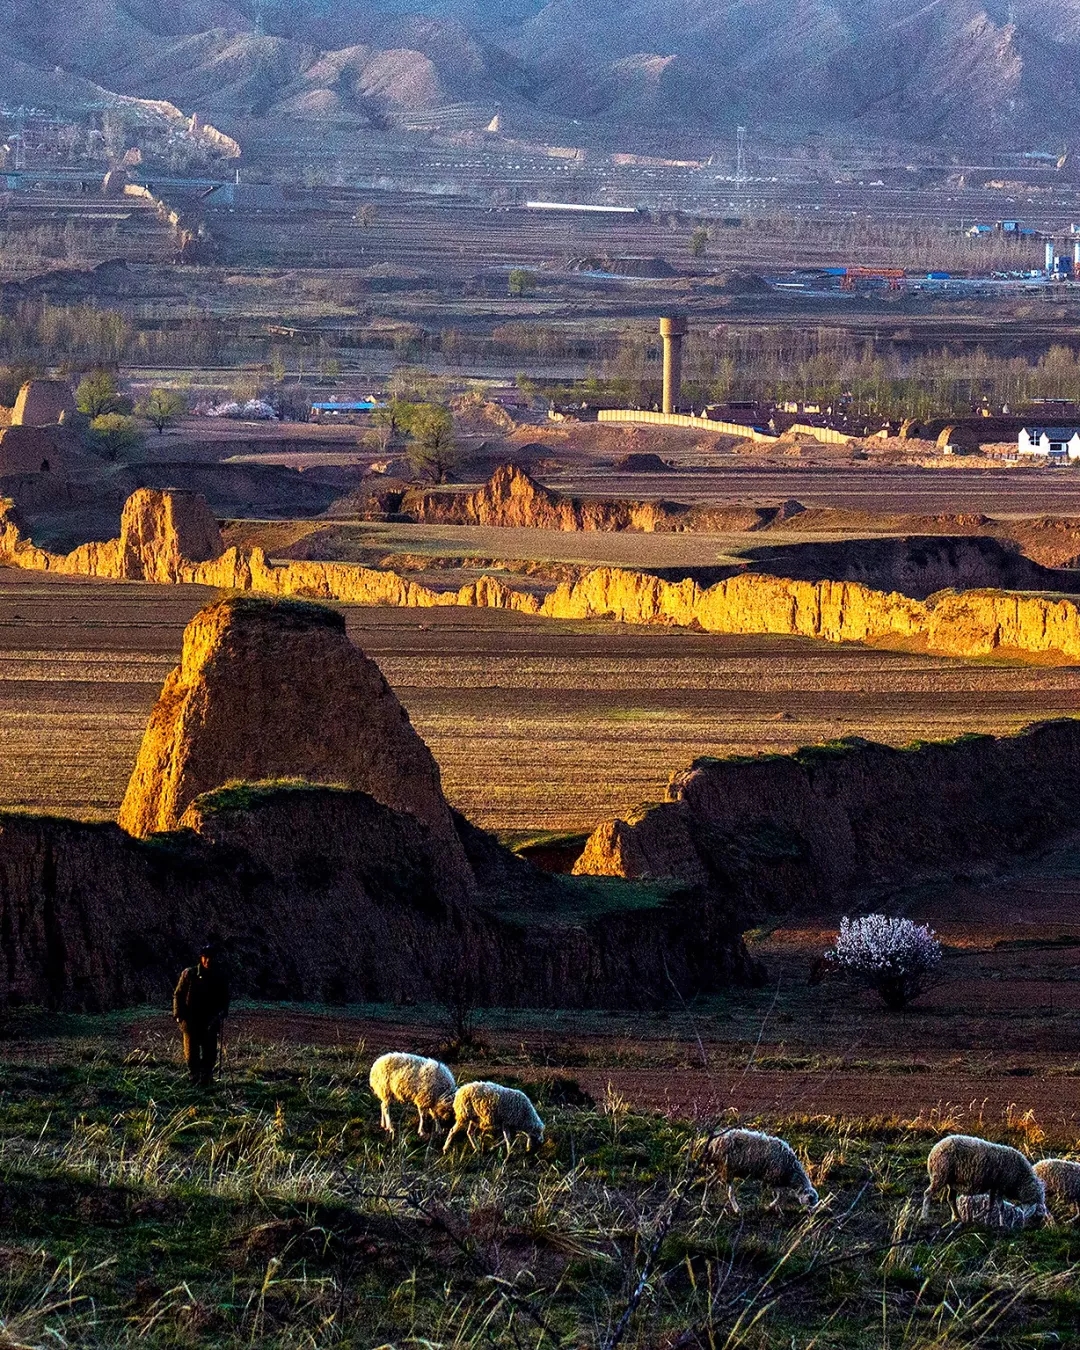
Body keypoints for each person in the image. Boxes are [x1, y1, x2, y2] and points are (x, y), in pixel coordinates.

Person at [173, 943, 230, 1086]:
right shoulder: (189, 974)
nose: (208, 961)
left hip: (210, 1021)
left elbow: (225, 998)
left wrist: (223, 1012)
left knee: (209, 1053)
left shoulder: (220, 976)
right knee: (191, 1054)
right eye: (206, 957)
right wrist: (178, 1014)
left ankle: (206, 1080)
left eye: (211, 957)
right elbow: (178, 994)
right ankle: (194, 1079)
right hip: (190, 1021)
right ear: (201, 958)